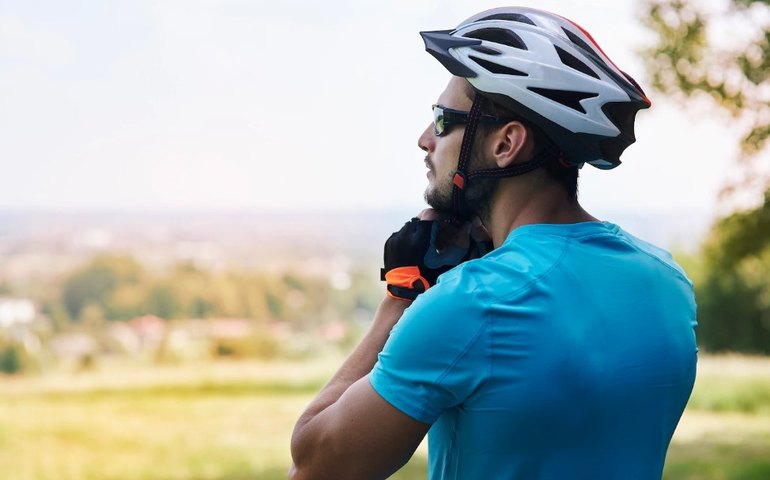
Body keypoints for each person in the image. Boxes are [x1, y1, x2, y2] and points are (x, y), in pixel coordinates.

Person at [289, 6, 697, 480]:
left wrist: (401, 297)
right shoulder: (668, 282)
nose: (425, 140)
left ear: (506, 144)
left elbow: (316, 464)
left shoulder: (474, 302)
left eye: (443, 120)